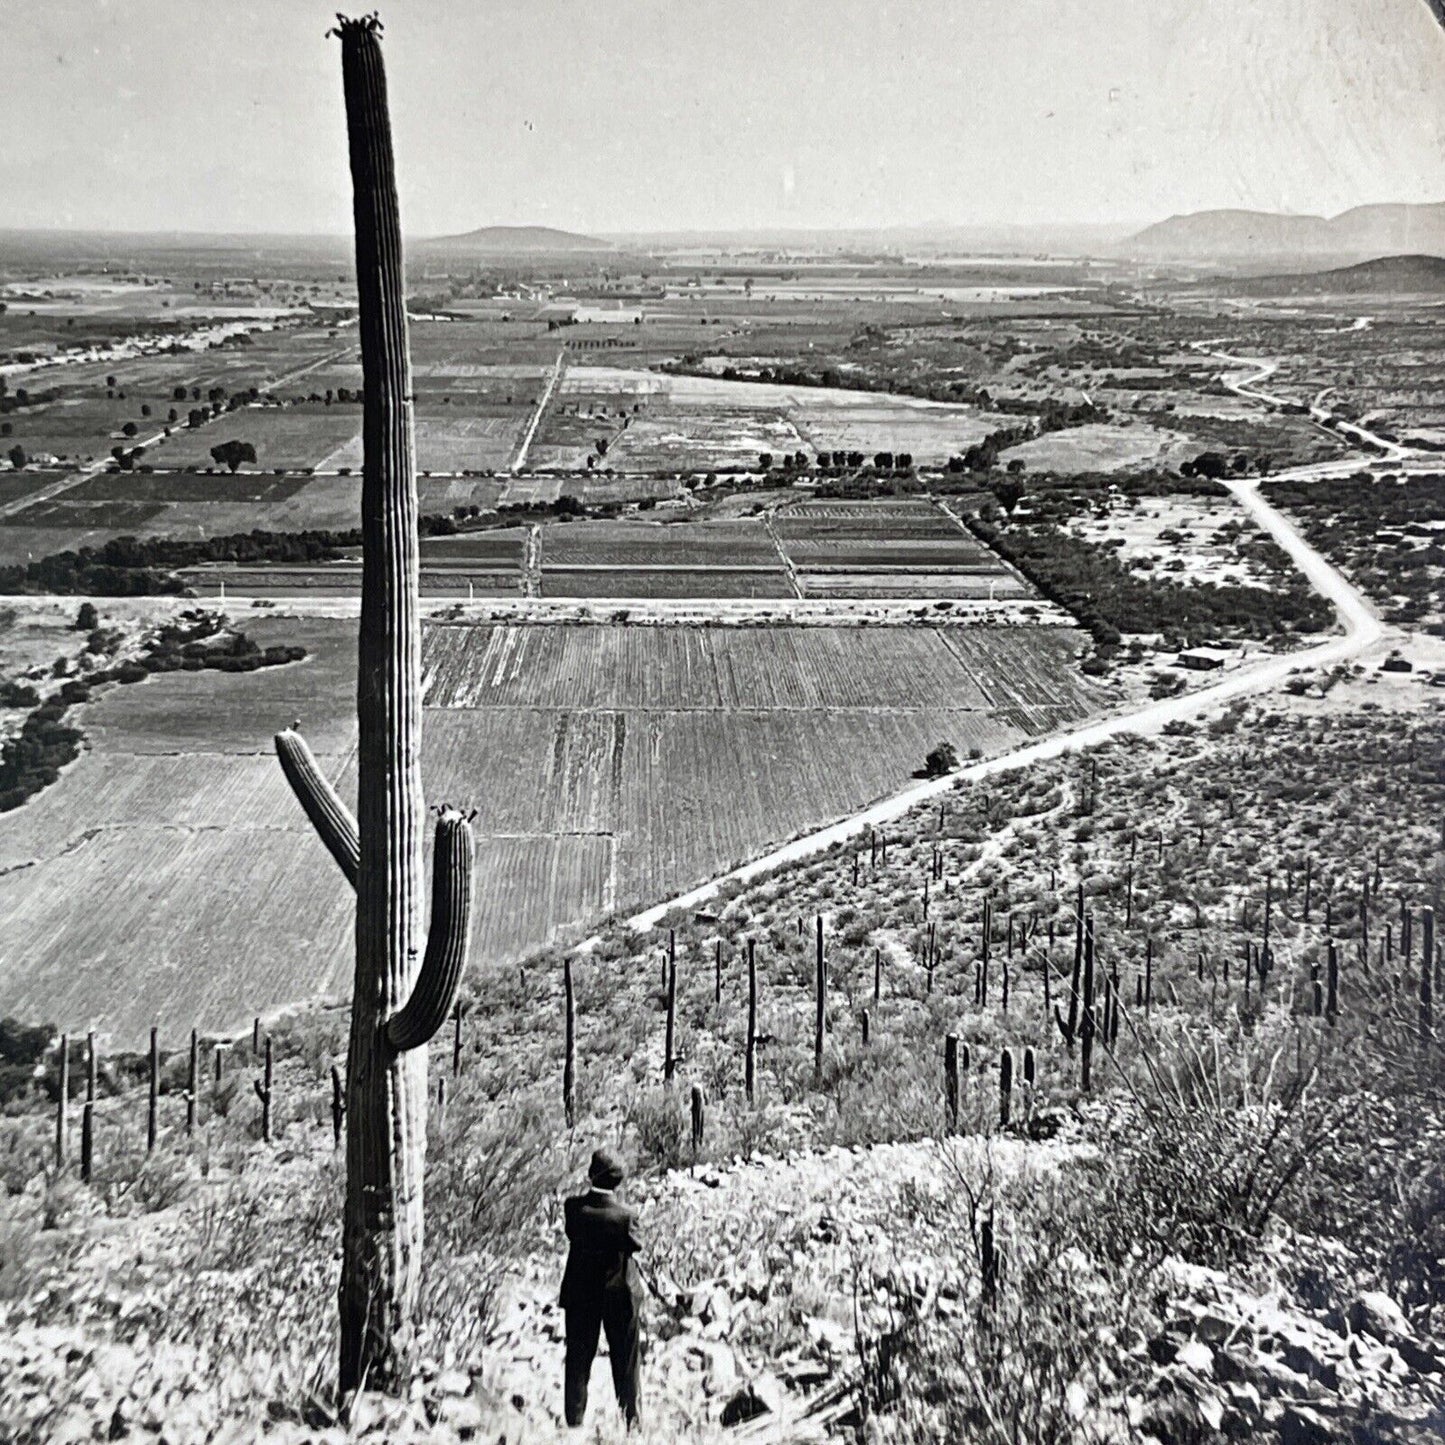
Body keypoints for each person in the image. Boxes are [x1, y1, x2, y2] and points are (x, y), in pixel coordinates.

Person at [560, 1146, 644, 1429]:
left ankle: (573, 1424)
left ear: (590, 1175)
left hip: (581, 1296)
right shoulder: (626, 1216)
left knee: (578, 1361)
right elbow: (636, 1245)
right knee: (626, 1363)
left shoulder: (573, 1209)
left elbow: (573, 1232)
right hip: (619, 1296)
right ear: (618, 1181)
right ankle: (632, 1423)